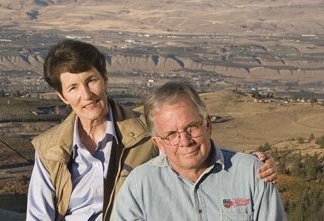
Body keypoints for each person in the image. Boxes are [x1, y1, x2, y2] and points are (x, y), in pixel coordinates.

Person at [26, 40, 278, 221]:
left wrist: (253, 164)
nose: (87, 95)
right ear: (61, 96)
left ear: (104, 78)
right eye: (73, 88)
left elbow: (193, 147)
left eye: (91, 81)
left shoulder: (147, 132)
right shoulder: (50, 150)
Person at [111, 81, 286, 221]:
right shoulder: (140, 185)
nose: (185, 141)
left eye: (192, 127)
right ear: (158, 144)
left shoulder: (253, 174)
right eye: (172, 134)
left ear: (207, 125)